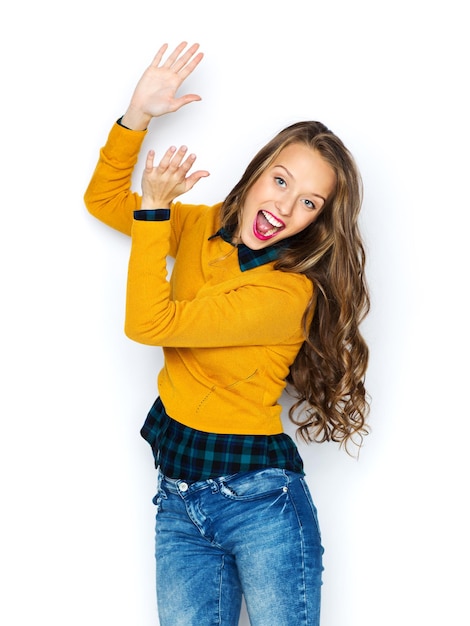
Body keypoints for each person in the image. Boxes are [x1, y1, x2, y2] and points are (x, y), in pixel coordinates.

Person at [84, 41, 370, 626]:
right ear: (258, 170)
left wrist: (155, 216)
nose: (286, 206)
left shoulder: (287, 293)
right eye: (281, 181)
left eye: (310, 202)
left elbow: (148, 322)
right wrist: (135, 115)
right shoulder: (202, 225)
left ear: (317, 221)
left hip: (261, 503)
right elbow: (103, 201)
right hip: (177, 499)